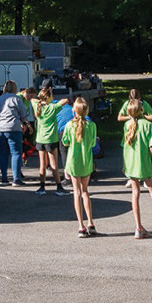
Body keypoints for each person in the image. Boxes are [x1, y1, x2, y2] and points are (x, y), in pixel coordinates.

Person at [120, 98, 152, 241]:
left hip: (131, 163)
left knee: (135, 193)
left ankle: (138, 227)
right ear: (142, 110)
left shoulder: (127, 125)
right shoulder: (148, 125)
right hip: (144, 163)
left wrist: (125, 164)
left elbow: (125, 146)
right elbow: (151, 147)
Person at [61, 96, 99, 236]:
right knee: (85, 192)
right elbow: (94, 144)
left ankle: (81, 226)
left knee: (76, 193)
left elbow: (65, 142)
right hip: (86, 161)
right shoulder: (92, 125)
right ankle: (90, 222)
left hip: (73, 161)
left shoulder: (69, 125)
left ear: (74, 110)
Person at [0, 79, 29, 185]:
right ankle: (16, 179)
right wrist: (26, 123)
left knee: (3, 153)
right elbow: (23, 114)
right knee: (16, 153)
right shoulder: (16, 98)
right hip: (13, 127)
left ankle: (4, 178)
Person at [33, 86, 64, 194]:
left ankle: (42, 187)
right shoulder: (53, 108)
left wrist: (42, 100)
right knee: (54, 165)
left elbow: (32, 99)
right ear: (49, 97)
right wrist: (51, 102)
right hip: (51, 139)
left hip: (40, 139)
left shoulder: (37, 105)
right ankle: (59, 187)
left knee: (42, 164)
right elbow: (65, 101)